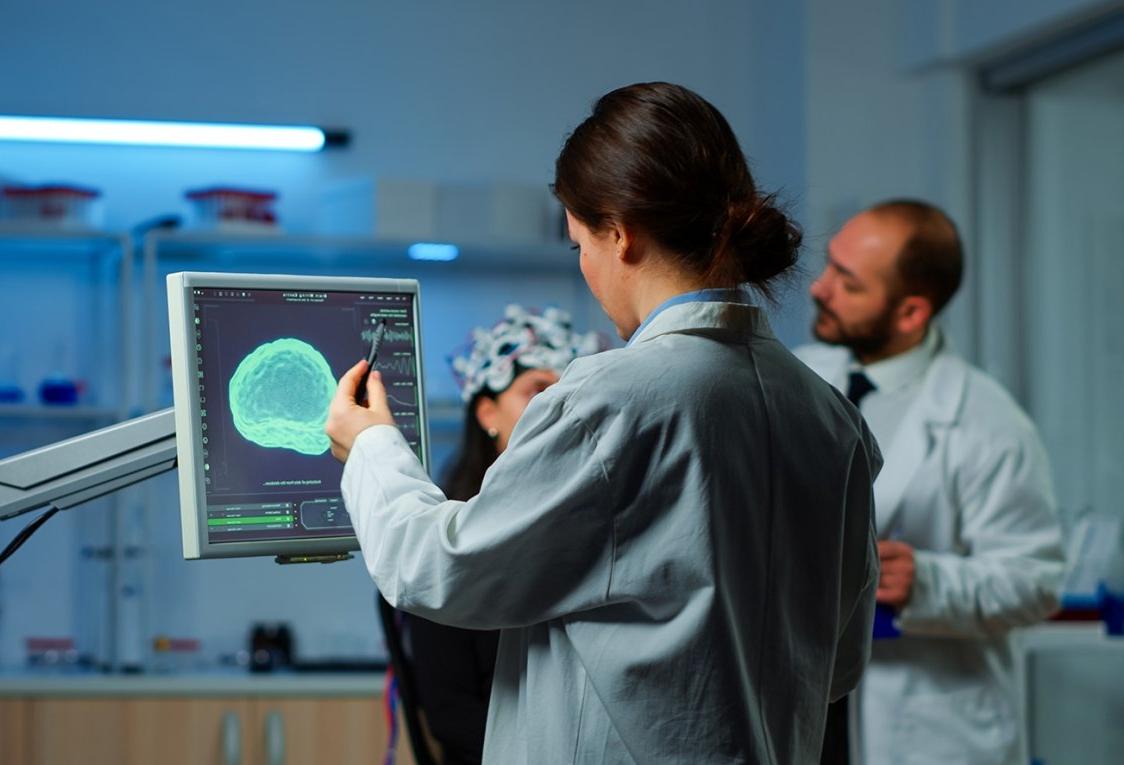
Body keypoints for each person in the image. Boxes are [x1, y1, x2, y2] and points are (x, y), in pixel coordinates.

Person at [327, 82, 882, 763]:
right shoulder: (831, 416)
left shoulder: (615, 395)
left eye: (579, 245)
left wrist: (370, 445)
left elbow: (440, 567)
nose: (586, 267)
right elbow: (840, 661)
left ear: (619, 234)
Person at [797, 200, 1064, 765]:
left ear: (910, 312)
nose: (820, 288)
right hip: (805, 706)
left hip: (923, 724)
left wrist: (929, 582)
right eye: (830, 266)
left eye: (847, 281)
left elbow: (1037, 582)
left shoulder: (990, 423)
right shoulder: (801, 377)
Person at [400, 305, 601, 764]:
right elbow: (451, 713)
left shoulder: (594, 519)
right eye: (537, 390)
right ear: (487, 411)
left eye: (568, 391)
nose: (557, 406)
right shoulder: (451, 534)